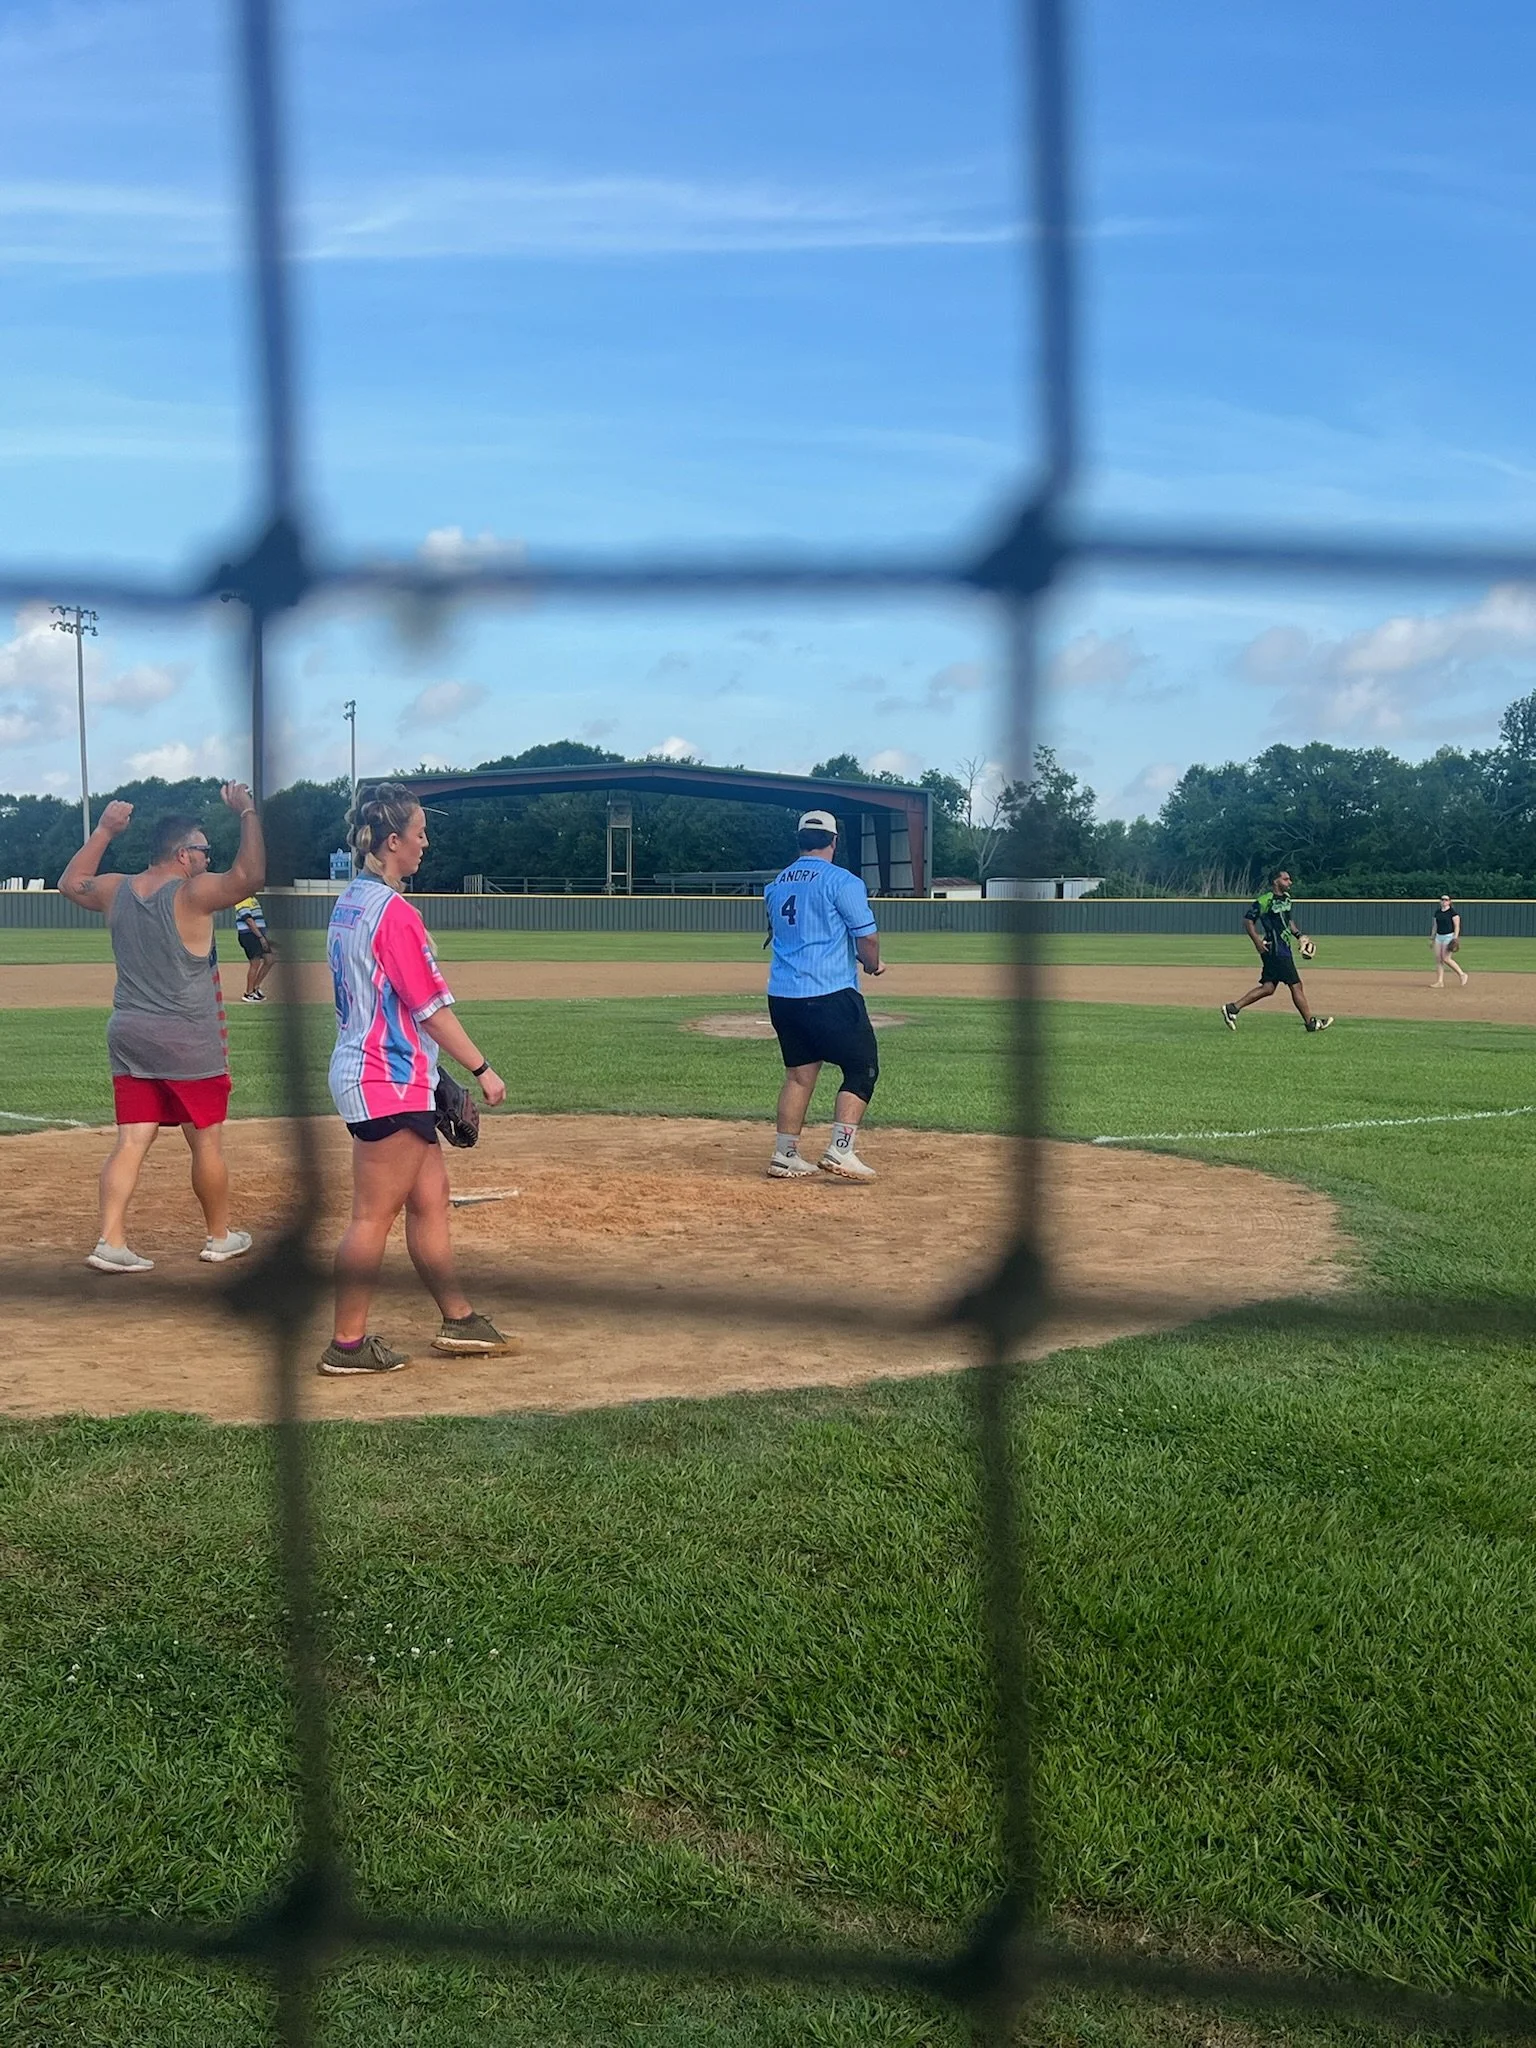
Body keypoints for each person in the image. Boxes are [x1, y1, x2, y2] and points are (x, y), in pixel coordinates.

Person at [319, 782, 513, 1376]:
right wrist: (481, 1070)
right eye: (420, 833)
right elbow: (428, 1006)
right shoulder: (393, 913)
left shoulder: (351, 901)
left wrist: (436, 1079)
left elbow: (392, 1007)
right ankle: (346, 1346)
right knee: (371, 1217)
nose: (426, 844)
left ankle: (458, 1319)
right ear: (393, 841)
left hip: (388, 1071)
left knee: (429, 1202)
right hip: (385, 1078)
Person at [58, 785, 264, 1272]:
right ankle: (219, 1236)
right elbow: (250, 875)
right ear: (182, 854)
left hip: (129, 1033)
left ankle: (110, 1241)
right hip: (189, 1039)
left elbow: (71, 882)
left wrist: (105, 829)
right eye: (204, 850)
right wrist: (248, 812)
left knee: (131, 1140)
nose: (207, 858)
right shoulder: (192, 894)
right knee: (206, 1139)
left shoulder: (116, 889)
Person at [762, 808, 886, 1182]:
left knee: (799, 1076)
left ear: (800, 840)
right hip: (829, 991)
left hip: (783, 996)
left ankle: (785, 1154)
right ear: (834, 841)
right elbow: (866, 937)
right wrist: (872, 963)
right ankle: (841, 1149)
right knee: (862, 1067)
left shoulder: (776, 884)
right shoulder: (842, 881)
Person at [1221, 869, 1333, 1033]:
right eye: (1286, 879)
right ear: (1276, 881)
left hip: (1283, 947)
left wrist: (1299, 936)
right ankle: (1311, 1023)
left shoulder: (1287, 899)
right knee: (1296, 985)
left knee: (1268, 988)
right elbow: (1248, 921)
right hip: (1275, 949)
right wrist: (1257, 942)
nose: (1290, 882)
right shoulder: (1265, 900)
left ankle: (1232, 1009)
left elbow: (1288, 921)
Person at [234, 893, 277, 1002]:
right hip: (249, 935)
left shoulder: (253, 900)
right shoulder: (242, 898)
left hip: (258, 935)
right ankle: (248, 993)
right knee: (255, 963)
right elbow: (248, 920)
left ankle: (255, 987)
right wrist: (260, 937)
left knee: (270, 959)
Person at [1431, 894, 1469, 988]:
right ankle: (1440, 981)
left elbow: (1457, 927)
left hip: (1448, 936)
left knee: (1446, 958)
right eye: (1442, 899)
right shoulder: (1437, 912)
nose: (1444, 901)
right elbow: (1435, 926)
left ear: (1449, 902)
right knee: (1439, 959)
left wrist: (1455, 938)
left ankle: (1462, 974)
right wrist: (1432, 937)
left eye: (1446, 900)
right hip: (1439, 936)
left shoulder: (1453, 913)